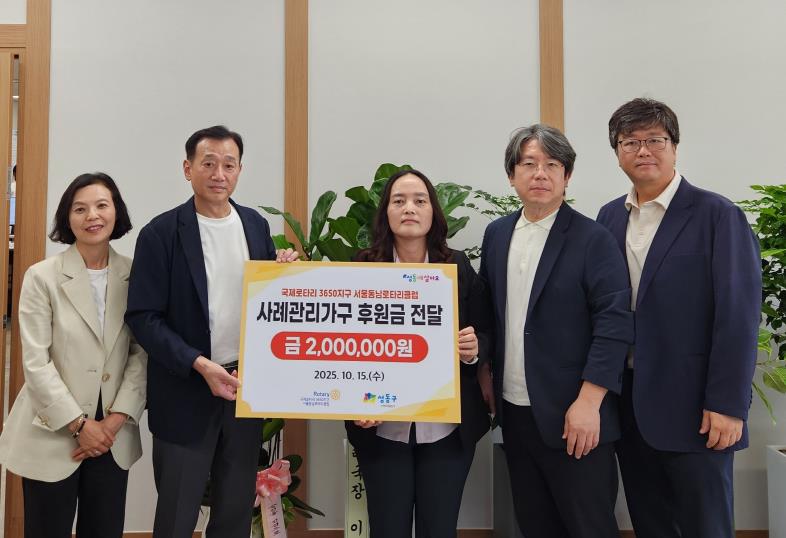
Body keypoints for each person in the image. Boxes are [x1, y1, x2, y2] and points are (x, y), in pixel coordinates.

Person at [597, 98, 761, 538]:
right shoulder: (609, 217)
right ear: (617, 152)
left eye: (655, 139)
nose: (643, 150)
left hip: (697, 408)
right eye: (630, 142)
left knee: (705, 526)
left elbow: (738, 317)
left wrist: (727, 404)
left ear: (674, 146)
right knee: (650, 523)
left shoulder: (717, 215)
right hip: (629, 406)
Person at [125, 125, 297, 538]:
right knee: (177, 515)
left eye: (229, 165)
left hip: (242, 390)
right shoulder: (161, 233)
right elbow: (143, 316)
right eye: (208, 163)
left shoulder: (254, 225)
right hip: (185, 391)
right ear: (188, 169)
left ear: (239, 171)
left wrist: (283, 275)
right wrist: (199, 364)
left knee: (235, 510)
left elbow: (263, 301)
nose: (219, 174)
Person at [477, 124, 633, 538]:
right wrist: (484, 373)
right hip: (515, 412)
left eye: (552, 165)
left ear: (567, 176)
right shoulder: (497, 235)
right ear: (511, 175)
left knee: (589, 526)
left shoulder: (593, 238)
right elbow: (488, 314)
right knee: (535, 524)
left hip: (575, 414)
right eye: (529, 164)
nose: (540, 174)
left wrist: (589, 402)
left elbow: (614, 324)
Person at [0, 172, 147, 538]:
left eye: (101, 205)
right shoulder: (42, 277)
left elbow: (142, 353)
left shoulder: (136, 275)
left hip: (112, 435)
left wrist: (114, 421)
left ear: (116, 212)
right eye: (80, 209)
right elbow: (36, 363)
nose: (92, 216)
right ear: (67, 218)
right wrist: (80, 426)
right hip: (53, 430)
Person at [345, 169, 490, 538]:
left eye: (419, 201)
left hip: (446, 431)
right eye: (399, 201)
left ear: (432, 213)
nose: (409, 208)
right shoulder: (364, 266)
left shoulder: (456, 265)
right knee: (387, 529)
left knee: (439, 528)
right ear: (386, 213)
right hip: (381, 429)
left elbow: (486, 330)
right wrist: (355, 402)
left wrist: (474, 349)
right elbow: (345, 346)